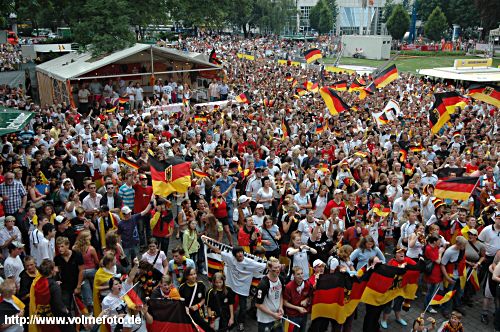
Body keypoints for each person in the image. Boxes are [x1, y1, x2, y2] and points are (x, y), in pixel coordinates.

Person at [202, 238, 266, 332]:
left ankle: (240, 322)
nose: (240, 254)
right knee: (228, 303)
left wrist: (278, 266)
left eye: (241, 252)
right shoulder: (230, 258)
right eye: (238, 253)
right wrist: (207, 243)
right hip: (231, 286)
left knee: (243, 308)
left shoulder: (251, 263)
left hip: (243, 290)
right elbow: (217, 250)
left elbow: (266, 266)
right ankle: (228, 319)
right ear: (234, 255)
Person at [179, 267, 214, 332]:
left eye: (195, 274)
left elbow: (204, 299)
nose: (193, 276)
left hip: (199, 312)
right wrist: (185, 308)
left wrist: (197, 305)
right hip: (187, 313)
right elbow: (180, 302)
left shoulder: (201, 285)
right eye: (191, 275)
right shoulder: (182, 287)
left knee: (202, 328)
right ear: (186, 276)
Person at [54, 236, 84, 312]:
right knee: (67, 307)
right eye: (58, 247)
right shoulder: (57, 258)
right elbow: (56, 271)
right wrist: (57, 280)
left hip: (76, 283)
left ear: (68, 245)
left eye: (62, 246)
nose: (60, 249)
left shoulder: (77, 255)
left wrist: (78, 286)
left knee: (80, 307)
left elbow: (81, 271)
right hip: (65, 287)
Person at [255, 257, 284, 332]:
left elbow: (281, 294)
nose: (278, 270)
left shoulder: (281, 279)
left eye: (279, 267)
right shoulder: (263, 284)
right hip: (265, 320)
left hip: (277, 317)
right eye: (275, 268)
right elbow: (258, 304)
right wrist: (273, 314)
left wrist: (280, 307)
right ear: (269, 268)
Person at [284, 266, 312, 332]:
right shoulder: (289, 286)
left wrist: (307, 299)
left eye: (302, 273)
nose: (300, 276)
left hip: (304, 315)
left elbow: (311, 296)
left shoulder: (307, 284)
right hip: (293, 316)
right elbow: (285, 302)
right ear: (293, 275)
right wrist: (297, 308)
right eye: (298, 274)